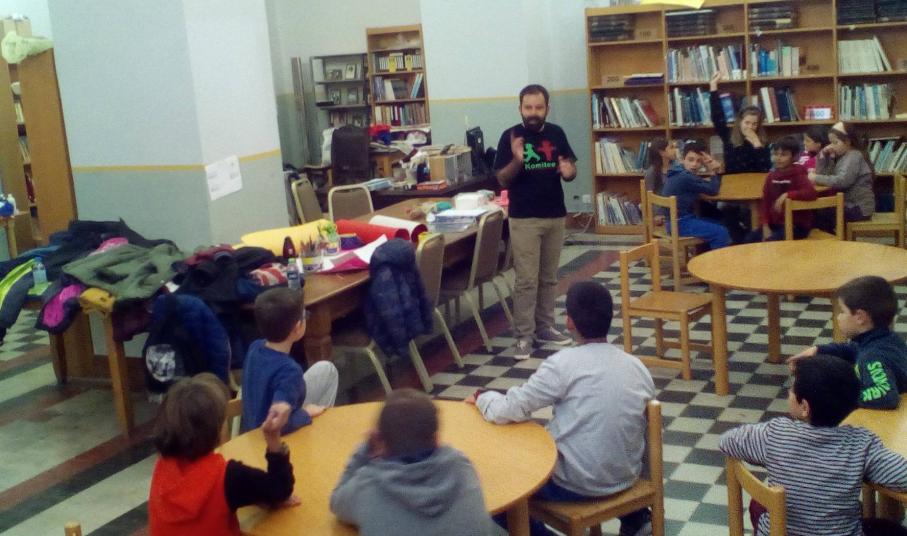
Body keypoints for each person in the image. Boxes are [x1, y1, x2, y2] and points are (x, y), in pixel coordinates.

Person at [466, 281, 655, 536]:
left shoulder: (562, 364)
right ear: (610, 318)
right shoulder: (636, 367)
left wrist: (483, 397)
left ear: (569, 322)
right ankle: (635, 519)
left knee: (497, 492)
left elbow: (511, 409)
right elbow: (643, 429)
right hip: (626, 476)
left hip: (572, 484)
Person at [720, 354, 907, 536]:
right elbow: (902, 476)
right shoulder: (861, 445)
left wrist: (774, 458)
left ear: (805, 407)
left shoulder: (775, 433)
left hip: (778, 531)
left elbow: (727, 441)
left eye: (792, 389)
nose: (789, 392)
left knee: (758, 505)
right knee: (890, 527)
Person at [330, 389, 496, 536]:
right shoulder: (462, 467)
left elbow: (337, 502)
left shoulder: (367, 485)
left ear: (380, 441)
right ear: (437, 438)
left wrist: (365, 449)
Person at [149, 373, 298, 536]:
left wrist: (253, 496)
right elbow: (280, 491)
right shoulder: (228, 476)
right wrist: (273, 439)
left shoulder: (162, 465)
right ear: (217, 430)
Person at [494, 83, 577, 360]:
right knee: (527, 280)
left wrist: (569, 171)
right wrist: (518, 160)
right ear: (520, 108)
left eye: (538, 107)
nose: (533, 112)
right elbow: (502, 179)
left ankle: (545, 327)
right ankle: (523, 336)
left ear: (547, 109)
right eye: (528, 107)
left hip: (555, 215)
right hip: (524, 218)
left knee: (549, 278)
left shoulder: (556, 133)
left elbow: (570, 170)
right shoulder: (510, 136)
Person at [788, 276, 907, 409]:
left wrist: (844, 398)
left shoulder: (872, 357)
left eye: (842, 312)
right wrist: (818, 350)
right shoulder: (887, 339)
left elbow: (886, 395)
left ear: (860, 317)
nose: (838, 317)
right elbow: (853, 348)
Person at [241, 287, 338, 433]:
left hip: (253, 424)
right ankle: (319, 435)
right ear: (298, 327)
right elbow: (278, 423)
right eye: (305, 315)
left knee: (327, 369)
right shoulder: (289, 371)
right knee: (325, 381)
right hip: (270, 435)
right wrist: (306, 413)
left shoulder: (255, 347)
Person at [745, 135, 817, 242]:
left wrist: (787, 194)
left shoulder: (799, 174)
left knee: (772, 242)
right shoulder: (771, 176)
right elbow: (766, 202)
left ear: (794, 157)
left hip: (796, 226)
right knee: (749, 240)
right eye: (776, 154)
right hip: (775, 224)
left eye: (783, 155)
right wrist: (765, 225)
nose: (778, 158)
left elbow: (811, 193)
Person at [661, 141, 731, 250]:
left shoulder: (677, 171)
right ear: (683, 159)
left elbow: (703, 184)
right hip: (680, 223)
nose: (694, 164)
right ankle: (718, 261)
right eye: (691, 160)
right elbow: (713, 190)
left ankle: (705, 257)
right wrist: (713, 171)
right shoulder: (686, 177)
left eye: (699, 161)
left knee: (721, 224)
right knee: (721, 232)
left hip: (675, 221)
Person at [809, 121, 875, 222]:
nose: (831, 146)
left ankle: (836, 234)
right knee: (817, 213)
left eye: (835, 142)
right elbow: (825, 175)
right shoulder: (842, 157)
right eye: (830, 142)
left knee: (817, 215)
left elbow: (842, 181)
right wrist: (823, 156)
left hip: (858, 208)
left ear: (847, 141)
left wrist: (815, 178)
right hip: (849, 206)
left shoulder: (854, 156)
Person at [709, 72, 771, 174]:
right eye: (747, 123)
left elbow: (765, 169)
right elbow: (717, 117)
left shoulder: (762, 141)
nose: (750, 127)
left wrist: (756, 143)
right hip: (733, 180)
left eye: (754, 124)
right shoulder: (728, 136)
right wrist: (713, 86)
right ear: (740, 122)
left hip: (754, 180)